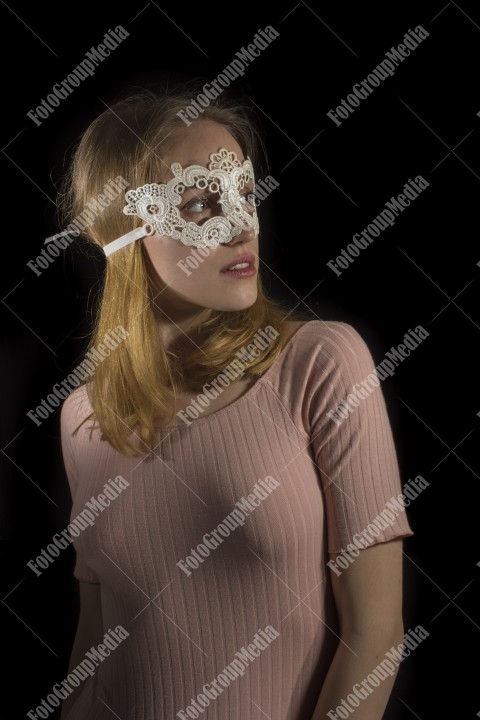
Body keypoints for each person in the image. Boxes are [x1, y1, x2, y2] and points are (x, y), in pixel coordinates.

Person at [58, 82, 413, 720]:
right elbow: (96, 641)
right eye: (199, 203)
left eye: (245, 194)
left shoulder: (322, 362)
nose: (241, 225)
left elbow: (376, 637)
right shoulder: (82, 416)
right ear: (123, 229)